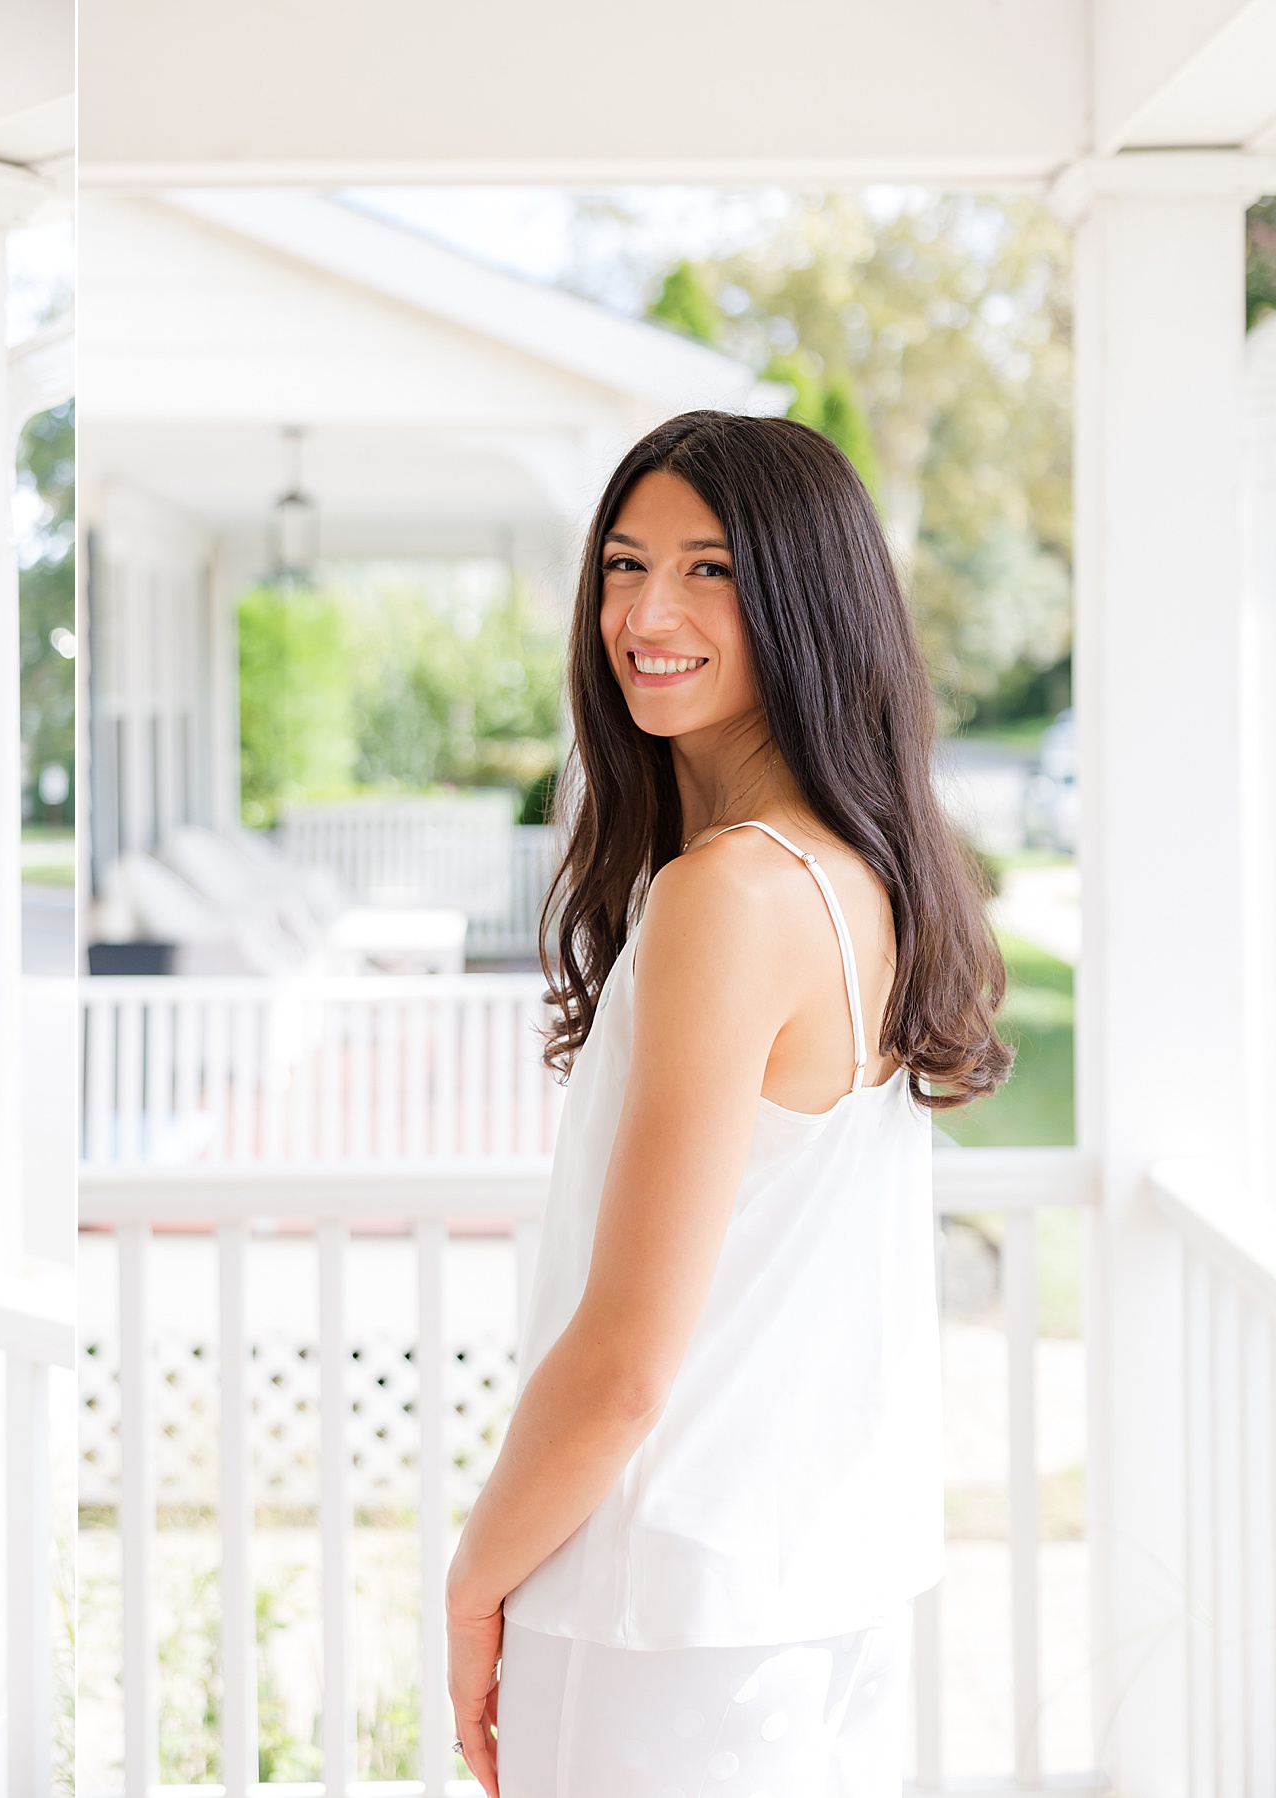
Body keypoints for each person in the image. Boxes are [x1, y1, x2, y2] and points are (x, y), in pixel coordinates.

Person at [444, 412, 1011, 1796]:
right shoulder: (864, 873)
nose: (647, 611)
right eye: (625, 564)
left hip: (667, 1625)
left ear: (806, 600)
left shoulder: (726, 895)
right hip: (819, 1599)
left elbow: (628, 1356)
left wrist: (472, 1583)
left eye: (712, 570)